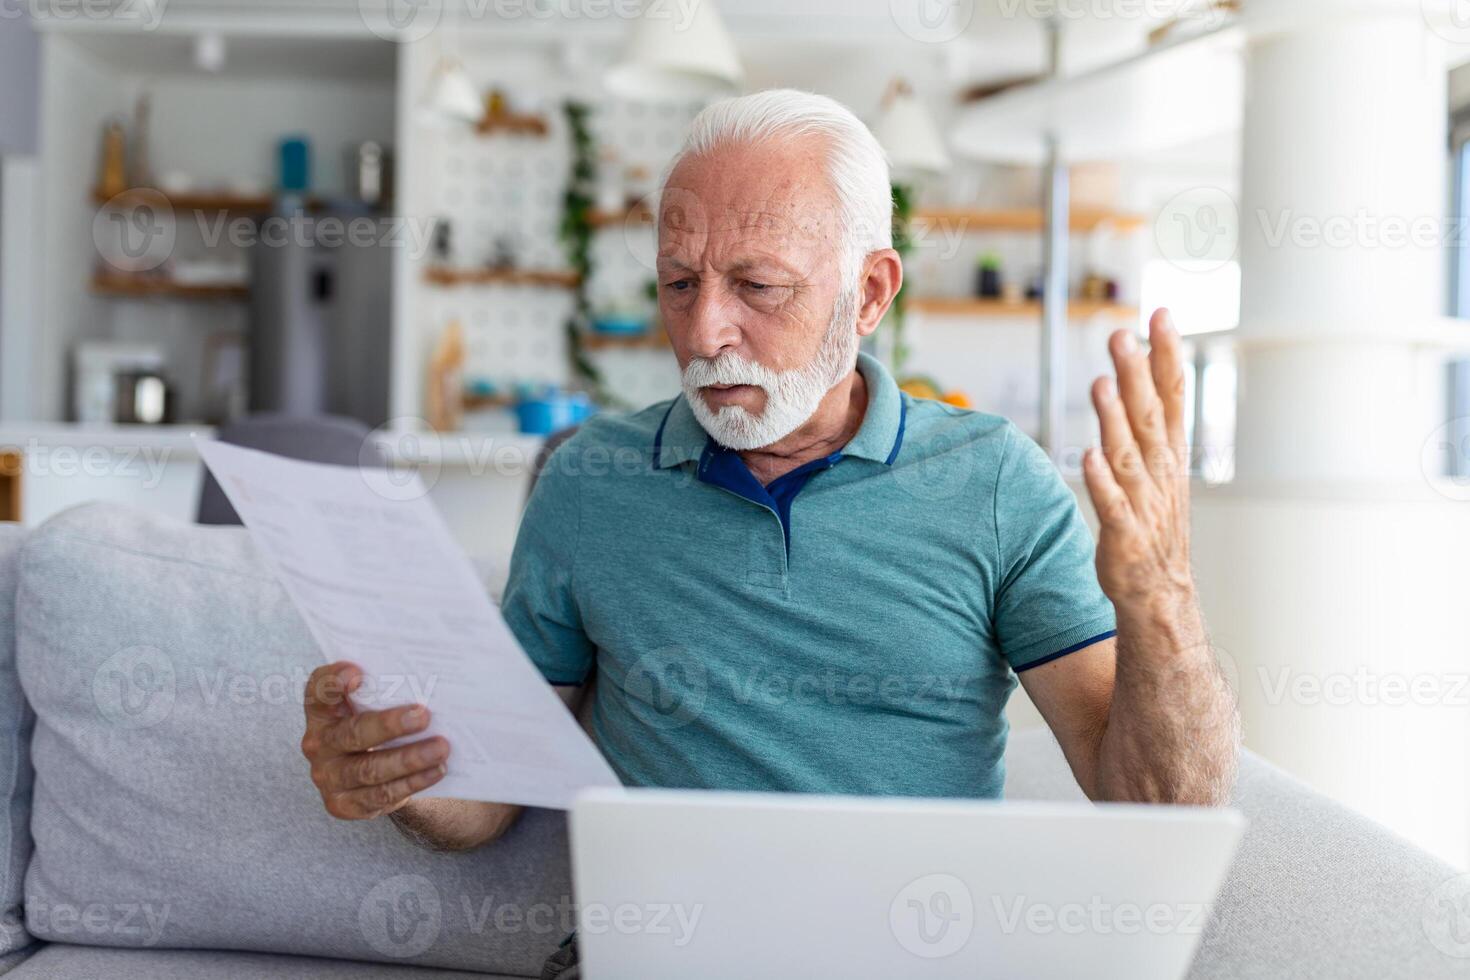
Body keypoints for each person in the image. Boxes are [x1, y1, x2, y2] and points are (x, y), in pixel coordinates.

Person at [299, 86, 1238, 893]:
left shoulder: (992, 481)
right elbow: (492, 795)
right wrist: (400, 774)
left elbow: (1159, 810)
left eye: (758, 285)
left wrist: (1162, 594)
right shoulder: (588, 481)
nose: (706, 331)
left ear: (868, 294)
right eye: (678, 283)